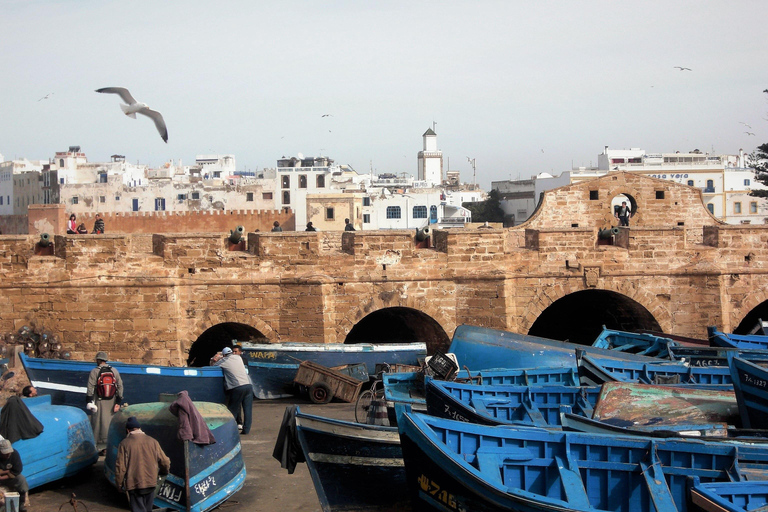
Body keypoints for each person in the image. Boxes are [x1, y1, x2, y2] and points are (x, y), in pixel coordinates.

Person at [114, 416, 170, 512]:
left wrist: (119, 484)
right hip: (151, 483)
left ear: (127, 430)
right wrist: (164, 472)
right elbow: (165, 461)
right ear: (139, 428)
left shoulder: (124, 444)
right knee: (148, 509)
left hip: (134, 485)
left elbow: (121, 467)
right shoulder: (153, 441)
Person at [86, 351, 124, 455]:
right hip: (111, 401)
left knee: (97, 423)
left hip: (99, 401)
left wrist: (89, 401)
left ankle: (96, 446)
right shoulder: (114, 371)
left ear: (98, 360)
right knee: (109, 423)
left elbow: (90, 387)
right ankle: (108, 446)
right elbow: (120, 386)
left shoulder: (94, 371)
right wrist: (118, 401)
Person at [211, 347, 252, 435]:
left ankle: (229, 430)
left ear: (224, 355)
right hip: (248, 385)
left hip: (237, 387)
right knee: (247, 409)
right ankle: (246, 430)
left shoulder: (224, 360)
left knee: (233, 409)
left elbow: (213, 366)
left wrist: (217, 358)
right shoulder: (238, 357)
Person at [0, 439, 29, 511]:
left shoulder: (14, 454)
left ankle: (22, 503)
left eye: (9, 452)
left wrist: (3, 475)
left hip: (9, 478)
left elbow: (17, 471)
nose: (8, 455)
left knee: (21, 479)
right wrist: (6, 471)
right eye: (5, 453)